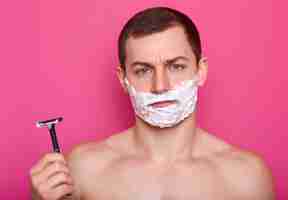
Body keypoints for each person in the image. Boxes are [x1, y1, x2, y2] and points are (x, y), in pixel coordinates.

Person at [30, 7, 275, 200]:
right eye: (143, 70)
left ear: (200, 71)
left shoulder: (247, 176)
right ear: (123, 79)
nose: (160, 86)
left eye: (176, 66)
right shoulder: (83, 169)